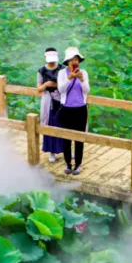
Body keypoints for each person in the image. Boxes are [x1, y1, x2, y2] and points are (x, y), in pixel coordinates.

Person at [57, 46, 89, 175]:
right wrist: (70, 78)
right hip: (66, 109)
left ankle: (78, 165)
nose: (75, 62)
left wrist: (81, 79)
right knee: (66, 138)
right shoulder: (61, 73)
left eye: (76, 59)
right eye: (72, 59)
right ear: (67, 61)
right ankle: (68, 163)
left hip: (80, 109)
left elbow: (86, 91)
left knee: (79, 138)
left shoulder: (84, 73)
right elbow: (61, 90)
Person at [37, 47, 64, 162]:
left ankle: (65, 149)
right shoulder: (41, 71)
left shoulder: (62, 69)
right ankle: (52, 152)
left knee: (62, 125)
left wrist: (57, 85)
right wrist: (47, 84)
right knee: (50, 124)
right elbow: (39, 88)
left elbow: (66, 85)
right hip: (48, 102)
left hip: (61, 100)